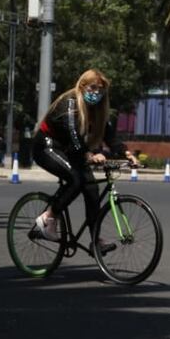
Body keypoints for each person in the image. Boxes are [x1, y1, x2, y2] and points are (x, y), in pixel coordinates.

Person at [31, 69, 138, 251]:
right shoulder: (69, 103)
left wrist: (127, 154)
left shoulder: (98, 109)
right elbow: (73, 135)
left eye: (100, 90)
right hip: (47, 146)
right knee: (76, 179)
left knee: (92, 189)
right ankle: (48, 217)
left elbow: (110, 136)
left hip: (71, 150)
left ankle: (96, 241)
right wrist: (89, 155)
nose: (96, 93)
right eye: (93, 88)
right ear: (82, 86)